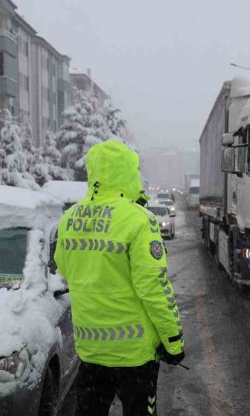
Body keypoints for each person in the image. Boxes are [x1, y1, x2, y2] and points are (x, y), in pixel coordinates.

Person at [54, 140, 184, 416]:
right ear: (128, 172)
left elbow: (65, 271)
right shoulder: (138, 220)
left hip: (90, 351)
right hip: (135, 356)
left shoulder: (69, 219)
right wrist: (173, 342)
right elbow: (154, 288)